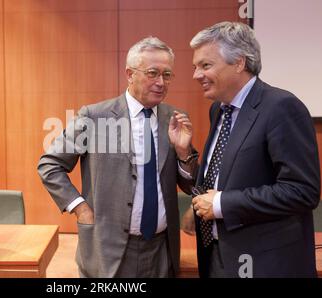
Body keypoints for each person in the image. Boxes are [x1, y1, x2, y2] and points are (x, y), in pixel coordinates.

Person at [38, 37, 198, 277]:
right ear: (130, 74)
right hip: (107, 250)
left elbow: (188, 184)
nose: (160, 82)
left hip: (161, 250)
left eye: (167, 75)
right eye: (152, 73)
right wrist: (80, 208)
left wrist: (185, 153)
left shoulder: (174, 118)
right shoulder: (95, 117)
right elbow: (50, 165)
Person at [189, 21, 320, 277]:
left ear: (239, 63)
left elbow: (302, 191)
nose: (196, 75)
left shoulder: (281, 107)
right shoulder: (219, 109)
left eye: (205, 65)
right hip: (218, 258)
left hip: (266, 264)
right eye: (195, 67)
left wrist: (223, 204)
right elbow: (226, 175)